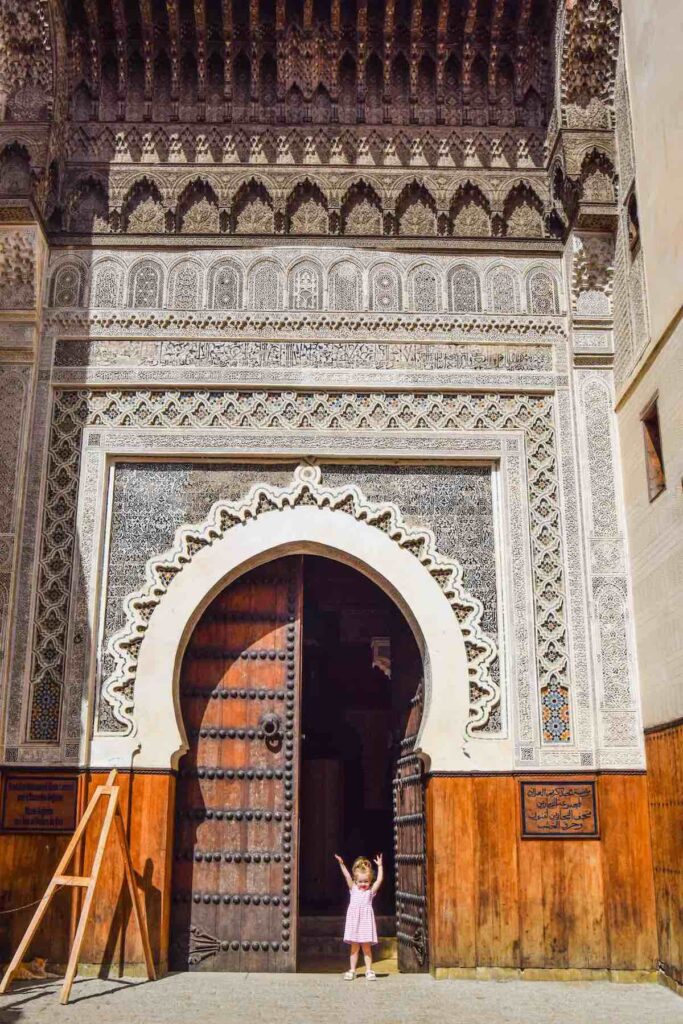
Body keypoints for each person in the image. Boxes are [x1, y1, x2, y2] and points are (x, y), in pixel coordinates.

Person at [334, 852, 383, 980]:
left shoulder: (370, 892)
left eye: (366, 881)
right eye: (360, 881)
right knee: (354, 948)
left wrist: (380, 866)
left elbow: (379, 880)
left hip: (365, 924)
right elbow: (346, 876)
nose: (363, 884)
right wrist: (341, 864)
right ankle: (352, 970)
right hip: (354, 923)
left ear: (369, 880)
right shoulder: (353, 889)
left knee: (366, 948)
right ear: (356, 880)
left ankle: (369, 970)